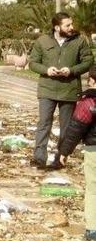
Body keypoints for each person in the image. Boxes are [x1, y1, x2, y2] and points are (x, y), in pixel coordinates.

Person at [29, 12, 94, 168]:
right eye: (67, 25)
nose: (71, 27)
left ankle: (60, 159)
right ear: (57, 27)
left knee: (67, 127)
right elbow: (33, 62)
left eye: (71, 24)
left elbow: (88, 61)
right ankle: (39, 158)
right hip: (47, 89)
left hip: (69, 90)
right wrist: (46, 70)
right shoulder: (42, 41)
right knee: (44, 124)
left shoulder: (79, 41)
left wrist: (71, 70)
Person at [53, 64, 96, 241]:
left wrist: (64, 152)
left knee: (93, 189)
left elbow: (75, 129)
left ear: (92, 80)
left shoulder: (88, 102)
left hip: (93, 150)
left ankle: (93, 229)